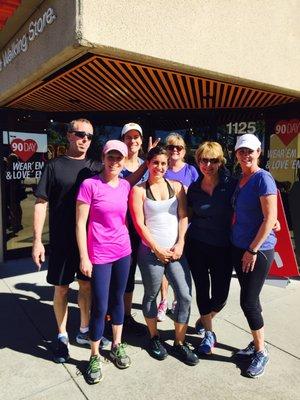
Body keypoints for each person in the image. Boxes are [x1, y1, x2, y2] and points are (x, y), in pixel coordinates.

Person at [32, 118, 108, 363]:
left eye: (89, 135)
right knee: (62, 288)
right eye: (80, 134)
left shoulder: (96, 166)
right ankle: (62, 336)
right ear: (69, 136)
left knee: (86, 286)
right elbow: (41, 203)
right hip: (63, 241)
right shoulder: (54, 167)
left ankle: (84, 331)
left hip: (89, 242)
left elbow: (120, 183)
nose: (85, 138)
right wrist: (36, 241)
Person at [129, 146, 199, 366]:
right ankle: (154, 338)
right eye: (155, 163)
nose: (159, 167)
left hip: (176, 251)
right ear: (148, 163)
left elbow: (183, 216)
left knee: (185, 296)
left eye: (163, 163)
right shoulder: (139, 190)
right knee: (150, 295)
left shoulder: (177, 187)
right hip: (150, 252)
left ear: (168, 164)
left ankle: (179, 343)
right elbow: (139, 223)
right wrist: (156, 248)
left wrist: (181, 243)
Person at [76, 140, 132, 384]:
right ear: (103, 157)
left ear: (124, 160)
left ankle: (117, 344)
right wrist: (84, 256)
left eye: (119, 158)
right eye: (111, 157)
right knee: (99, 305)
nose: (115, 162)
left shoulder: (125, 186)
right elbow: (80, 224)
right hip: (98, 254)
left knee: (117, 300)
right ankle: (95, 355)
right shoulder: (90, 185)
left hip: (123, 251)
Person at [231, 134, 277, 378]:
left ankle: (261, 351)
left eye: (250, 151)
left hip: (257, 250)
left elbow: (270, 218)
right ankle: (256, 342)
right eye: (241, 151)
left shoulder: (263, 178)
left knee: (248, 301)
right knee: (252, 299)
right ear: (236, 154)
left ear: (259, 151)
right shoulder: (242, 179)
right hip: (241, 247)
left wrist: (252, 250)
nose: (246, 155)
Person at [185, 141, 237, 354]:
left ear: (221, 162)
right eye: (204, 160)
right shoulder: (194, 189)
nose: (208, 165)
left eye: (213, 160)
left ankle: (205, 317)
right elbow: (184, 215)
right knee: (202, 290)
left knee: (221, 296)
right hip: (197, 244)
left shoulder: (232, 185)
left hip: (223, 247)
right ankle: (209, 332)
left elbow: (250, 206)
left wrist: (273, 221)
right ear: (198, 162)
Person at [157, 133, 199, 322]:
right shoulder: (161, 168)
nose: (175, 150)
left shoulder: (191, 171)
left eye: (179, 148)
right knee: (163, 266)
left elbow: (200, 194)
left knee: (179, 266)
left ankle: (176, 300)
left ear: (184, 151)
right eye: (171, 147)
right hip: (164, 225)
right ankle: (163, 300)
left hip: (184, 226)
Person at [119, 122, 150, 335]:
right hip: (123, 228)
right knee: (124, 274)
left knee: (140, 274)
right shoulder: (115, 162)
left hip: (145, 227)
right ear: (123, 140)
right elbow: (124, 186)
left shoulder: (147, 164)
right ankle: (116, 315)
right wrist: (146, 165)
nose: (133, 141)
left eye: (136, 137)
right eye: (128, 137)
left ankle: (127, 315)